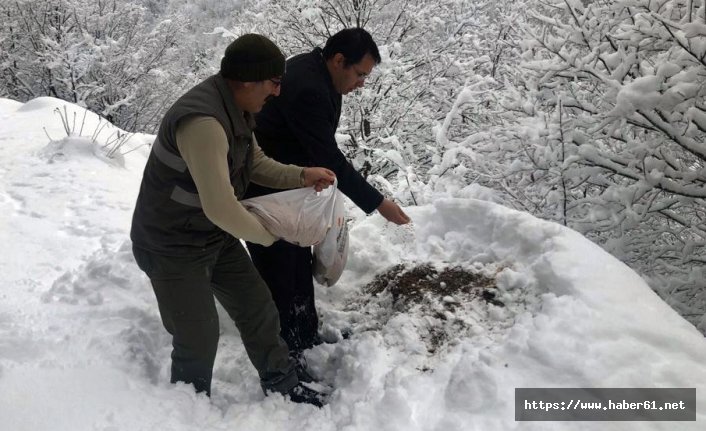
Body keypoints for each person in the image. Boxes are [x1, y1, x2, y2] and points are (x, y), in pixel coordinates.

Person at [130, 33, 335, 407]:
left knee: (258, 307)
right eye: (273, 83)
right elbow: (221, 208)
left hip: (209, 237)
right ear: (246, 81)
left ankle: (282, 384)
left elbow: (254, 162)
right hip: (170, 244)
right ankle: (187, 411)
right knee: (198, 336)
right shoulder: (204, 122)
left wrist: (302, 175)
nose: (277, 92)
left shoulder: (237, 108)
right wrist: (271, 237)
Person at [245, 28, 411, 364]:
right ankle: (287, 357)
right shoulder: (309, 88)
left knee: (297, 264)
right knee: (281, 275)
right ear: (339, 61)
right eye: (360, 74)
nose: (362, 84)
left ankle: (305, 335)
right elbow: (329, 157)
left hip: (291, 189)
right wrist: (379, 203)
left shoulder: (317, 71)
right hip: (267, 192)